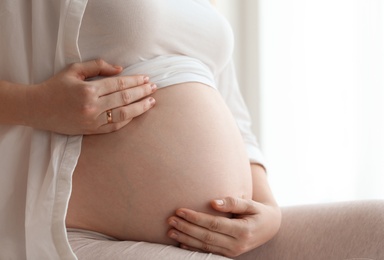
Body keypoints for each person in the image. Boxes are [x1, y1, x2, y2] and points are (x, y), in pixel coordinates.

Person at [0, 1, 383, 260]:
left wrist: (267, 210)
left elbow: (232, 108)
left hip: (227, 237)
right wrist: (36, 104)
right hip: (74, 230)